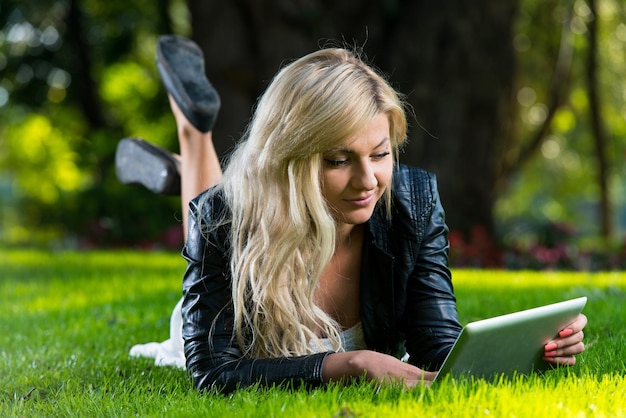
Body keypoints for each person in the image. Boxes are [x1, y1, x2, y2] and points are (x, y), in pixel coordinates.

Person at [118, 35, 588, 393]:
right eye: (338, 161)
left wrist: (528, 351)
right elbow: (215, 370)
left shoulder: (412, 202)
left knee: (221, 198)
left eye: (380, 154)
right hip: (241, 254)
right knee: (218, 203)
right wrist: (351, 363)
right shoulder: (224, 219)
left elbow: (436, 348)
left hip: (255, 194)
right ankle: (192, 131)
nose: (368, 181)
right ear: (290, 160)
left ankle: (183, 167)